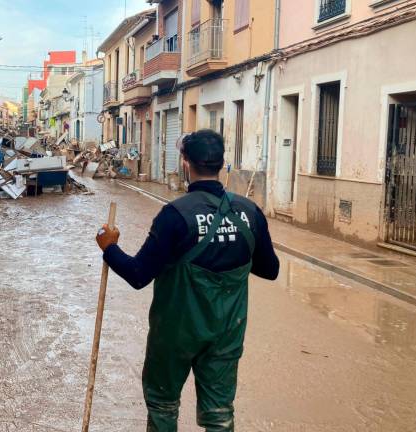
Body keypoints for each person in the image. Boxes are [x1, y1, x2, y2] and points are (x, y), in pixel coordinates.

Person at [96, 129, 280, 432]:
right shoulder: (249, 212)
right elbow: (269, 269)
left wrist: (109, 248)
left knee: (163, 407)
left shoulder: (175, 215)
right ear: (221, 164)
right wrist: (230, 248)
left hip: (174, 335)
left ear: (185, 163)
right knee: (220, 414)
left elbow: (138, 275)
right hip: (225, 335)